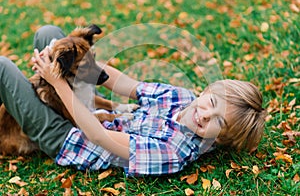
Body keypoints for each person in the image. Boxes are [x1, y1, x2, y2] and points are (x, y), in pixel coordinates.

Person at [0, 25, 266, 176]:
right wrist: (81, 66)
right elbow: (125, 84)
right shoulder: (182, 98)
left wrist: (57, 81)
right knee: (49, 34)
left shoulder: (173, 152)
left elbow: (98, 136)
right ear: (207, 91)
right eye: (213, 104)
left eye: (218, 123)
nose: (206, 115)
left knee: (3, 68)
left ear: (218, 140)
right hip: (91, 114)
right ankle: (43, 94)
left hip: (70, 138)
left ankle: (36, 115)